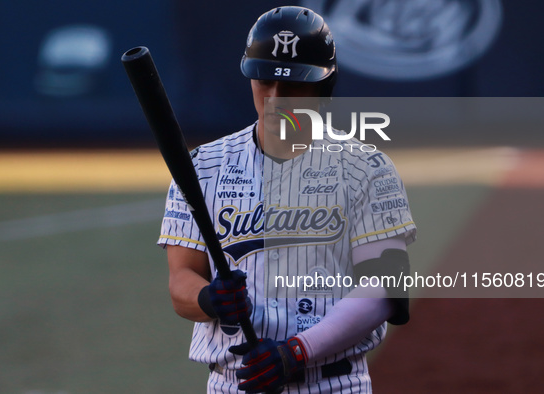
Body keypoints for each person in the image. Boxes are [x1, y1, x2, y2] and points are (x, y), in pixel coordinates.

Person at [158, 6, 416, 393]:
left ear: (322, 87)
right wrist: (209, 299)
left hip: (333, 384)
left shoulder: (368, 169)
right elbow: (181, 279)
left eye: (293, 85)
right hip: (233, 385)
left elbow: (383, 290)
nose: (276, 97)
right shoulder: (202, 167)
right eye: (264, 81)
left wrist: (295, 352)